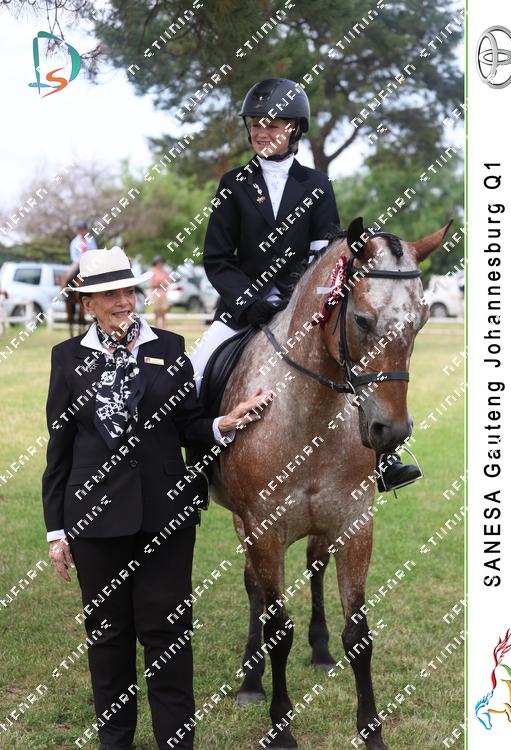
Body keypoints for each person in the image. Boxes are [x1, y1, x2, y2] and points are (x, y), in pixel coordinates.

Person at [43, 246, 273, 750]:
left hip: (166, 517)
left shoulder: (169, 348)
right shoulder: (66, 359)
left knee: (168, 636)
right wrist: (57, 531)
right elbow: (59, 452)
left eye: (128, 290)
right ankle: (115, 741)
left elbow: (188, 424)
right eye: (110, 294)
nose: (124, 301)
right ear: (88, 304)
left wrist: (223, 422)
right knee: (108, 638)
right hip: (95, 521)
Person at [192, 77, 421, 492]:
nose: (262, 132)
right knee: (193, 373)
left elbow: (325, 255)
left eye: (273, 125)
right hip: (242, 311)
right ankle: (196, 474)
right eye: (256, 125)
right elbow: (218, 259)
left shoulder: (316, 185)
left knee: (359, 360)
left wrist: (295, 299)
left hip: (302, 311)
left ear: (294, 129)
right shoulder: (233, 184)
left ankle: (384, 458)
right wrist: (252, 300)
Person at [148, 255, 172, 329]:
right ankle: (157, 328)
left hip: (163, 294)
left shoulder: (165, 272)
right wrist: (161, 283)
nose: (161, 263)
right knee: (157, 313)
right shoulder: (152, 271)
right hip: (155, 294)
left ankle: (165, 329)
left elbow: (167, 283)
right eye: (159, 261)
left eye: (162, 261)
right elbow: (152, 284)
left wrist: (159, 283)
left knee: (164, 313)